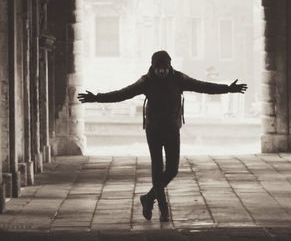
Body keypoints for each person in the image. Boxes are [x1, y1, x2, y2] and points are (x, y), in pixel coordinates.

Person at [77, 51, 248, 222]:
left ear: (169, 67)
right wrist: (97, 98)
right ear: (153, 67)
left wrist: (228, 89)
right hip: (154, 130)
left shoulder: (179, 79)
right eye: (158, 68)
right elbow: (123, 94)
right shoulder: (146, 81)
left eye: (164, 68)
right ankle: (163, 209)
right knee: (157, 168)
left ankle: (149, 198)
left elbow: (202, 86)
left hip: (172, 130)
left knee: (172, 170)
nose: (161, 72)